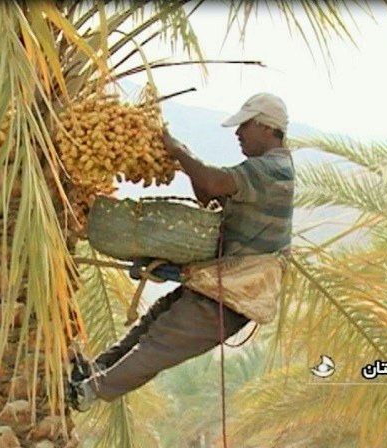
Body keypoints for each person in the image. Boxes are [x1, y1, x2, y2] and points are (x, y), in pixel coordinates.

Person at [68, 92, 295, 411]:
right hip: (218, 288)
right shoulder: (265, 170)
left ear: (266, 128)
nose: (238, 133)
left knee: (156, 347)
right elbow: (210, 197)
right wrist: (184, 163)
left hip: (230, 298)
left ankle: (88, 393)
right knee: (152, 324)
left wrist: (180, 151)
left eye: (244, 126)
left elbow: (215, 183)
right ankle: (93, 371)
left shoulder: (273, 169)